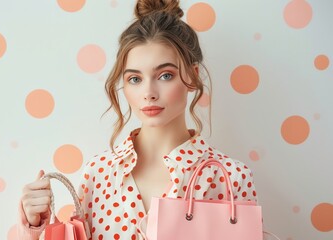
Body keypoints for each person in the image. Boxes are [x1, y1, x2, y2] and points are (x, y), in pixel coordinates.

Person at [18, 0, 258, 239]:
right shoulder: (98, 173)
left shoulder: (231, 178)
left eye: (165, 75)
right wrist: (33, 229)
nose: (149, 93)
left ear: (193, 77)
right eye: (135, 79)